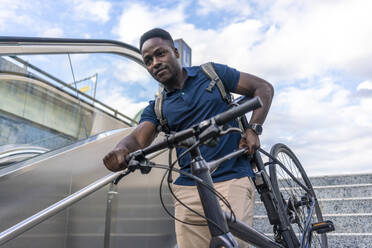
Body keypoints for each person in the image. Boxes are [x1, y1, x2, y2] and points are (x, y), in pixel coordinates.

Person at [103, 28, 274, 248]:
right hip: (187, 188)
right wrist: (120, 151)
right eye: (148, 61)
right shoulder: (158, 107)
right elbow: (137, 138)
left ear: (175, 52)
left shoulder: (211, 73)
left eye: (160, 54)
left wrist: (253, 128)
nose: (154, 63)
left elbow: (263, 88)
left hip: (231, 175)